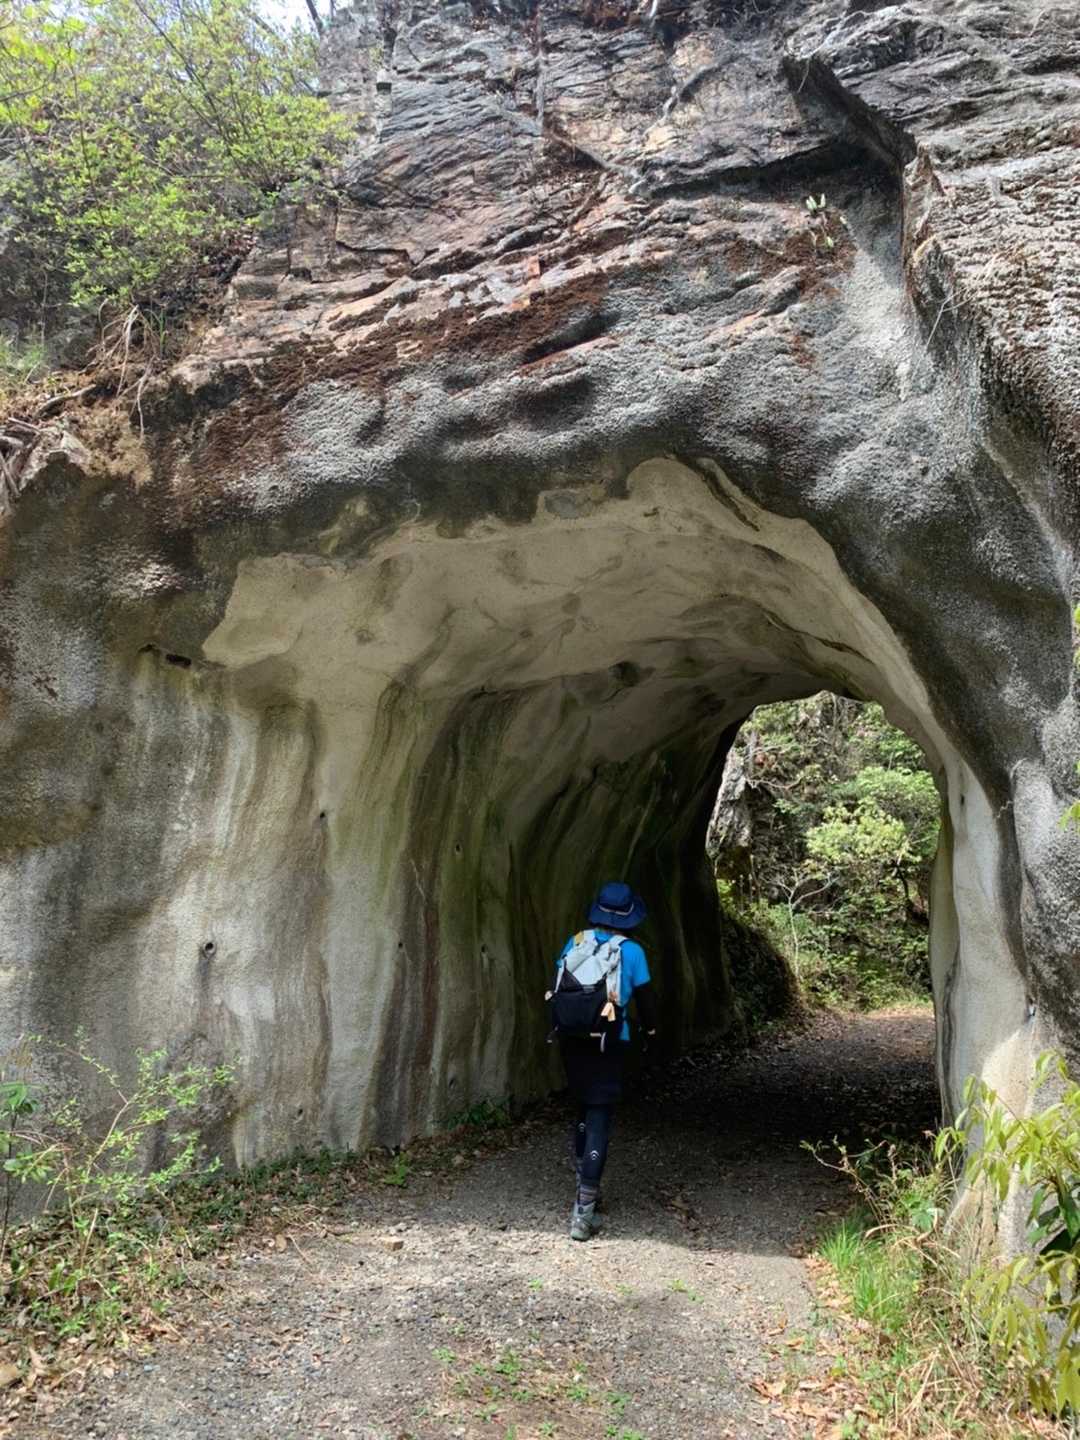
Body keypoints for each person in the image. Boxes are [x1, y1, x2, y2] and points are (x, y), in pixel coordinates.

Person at [552, 881, 656, 1241]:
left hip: (572, 1038)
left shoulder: (576, 942)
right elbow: (646, 1001)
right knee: (599, 1117)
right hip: (609, 1041)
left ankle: (584, 1184)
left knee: (582, 1109)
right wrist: (652, 1033)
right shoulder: (632, 952)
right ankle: (583, 1213)